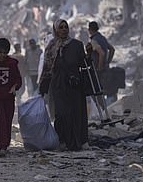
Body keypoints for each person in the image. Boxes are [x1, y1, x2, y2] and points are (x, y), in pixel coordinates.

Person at [39, 19, 88, 151]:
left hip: (74, 84)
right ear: (56, 30)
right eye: (60, 27)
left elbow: (83, 64)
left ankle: (79, 142)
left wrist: (88, 55)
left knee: (76, 113)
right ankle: (62, 141)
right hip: (58, 85)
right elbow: (47, 69)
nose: (64, 29)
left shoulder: (77, 45)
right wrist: (42, 88)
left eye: (65, 27)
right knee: (61, 114)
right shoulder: (51, 46)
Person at [87, 21, 117, 104]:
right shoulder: (102, 38)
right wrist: (108, 62)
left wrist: (99, 68)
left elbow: (101, 53)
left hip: (98, 71)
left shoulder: (94, 41)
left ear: (89, 30)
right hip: (106, 69)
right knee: (106, 90)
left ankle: (102, 111)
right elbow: (112, 49)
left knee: (97, 92)